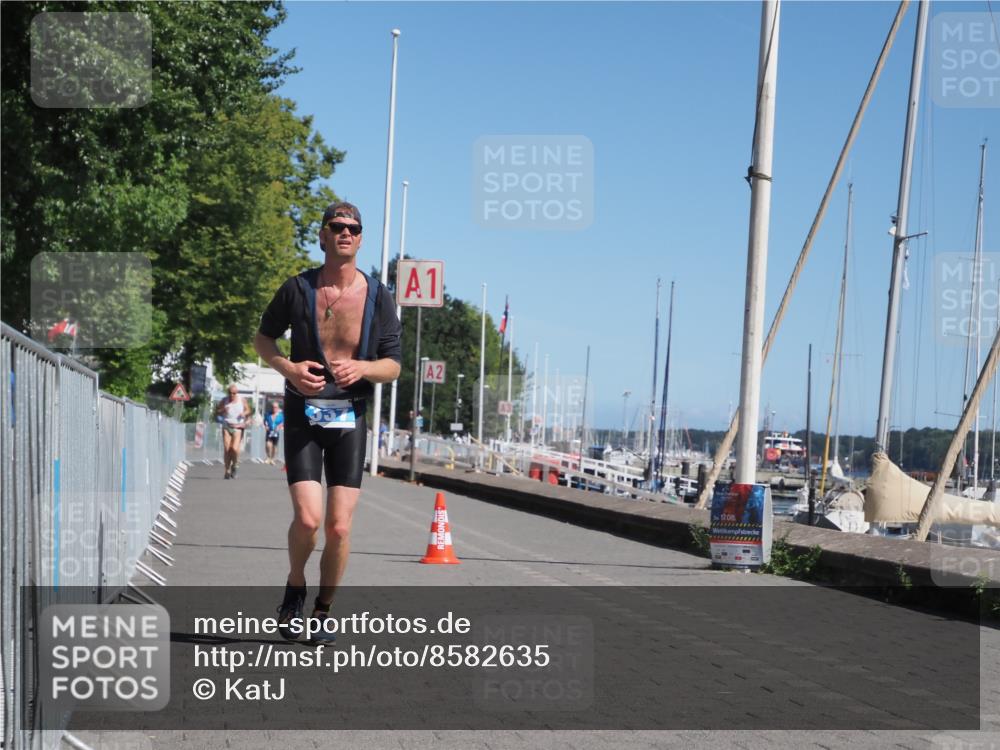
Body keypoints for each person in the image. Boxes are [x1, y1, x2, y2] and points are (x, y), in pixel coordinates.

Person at [254, 201, 402, 641]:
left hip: (350, 415)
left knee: (338, 526)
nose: (345, 233)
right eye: (336, 226)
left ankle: (322, 610)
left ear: (360, 238)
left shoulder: (378, 296)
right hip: (303, 410)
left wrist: (364, 368)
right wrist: (289, 368)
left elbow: (393, 365)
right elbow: (263, 338)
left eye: (353, 228)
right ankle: (295, 584)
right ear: (322, 236)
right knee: (308, 519)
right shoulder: (297, 289)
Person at [216, 385, 250, 479]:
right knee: (227, 449)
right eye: (230, 393)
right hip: (227, 425)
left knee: (234, 449)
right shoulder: (224, 400)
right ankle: (227, 471)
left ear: (237, 393)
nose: (232, 395)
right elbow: (217, 411)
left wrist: (244, 413)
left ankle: (234, 465)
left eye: (234, 393)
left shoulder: (241, 400)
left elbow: (248, 410)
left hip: (238, 427)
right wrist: (223, 410)